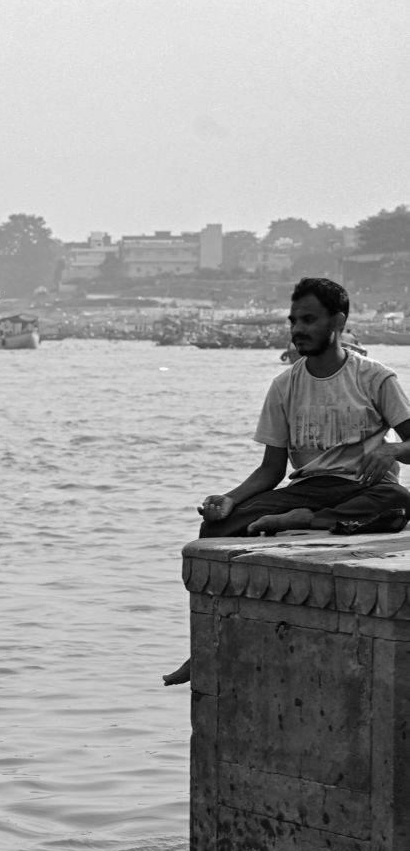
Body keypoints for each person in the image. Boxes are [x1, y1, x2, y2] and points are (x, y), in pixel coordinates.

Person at [162, 277, 410, 686]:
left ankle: (306, 521)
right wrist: (230, 499)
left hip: (366, 488)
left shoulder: (375, 378)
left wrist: (392, 450)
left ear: (338, 322)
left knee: (399, 499)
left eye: (309, 320)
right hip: (309, 490)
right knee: (216, 529)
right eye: (294, 320)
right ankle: (202, 647)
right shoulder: (284, 385)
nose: (298, 329)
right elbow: (270, 470)